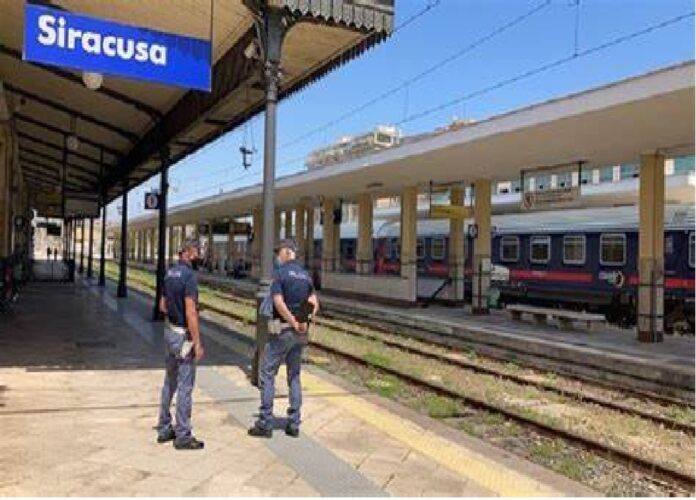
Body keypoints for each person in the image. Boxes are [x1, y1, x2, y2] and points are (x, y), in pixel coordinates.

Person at [248, 239, 319, 438]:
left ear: (287, 252)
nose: (277, 257)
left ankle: (265, 422)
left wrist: (292, 321)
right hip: (300, 334)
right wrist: (303, 320)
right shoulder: (305, 275)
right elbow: (314, 302)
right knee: (294, 376)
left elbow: (278, 302)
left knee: (267, 373)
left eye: (278, 252)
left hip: (282, 331)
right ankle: (294, 423)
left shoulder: (280, 274)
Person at [156, 238, 205, 450]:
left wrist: (175, 312)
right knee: (185, 385)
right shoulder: (189, 276)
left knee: (170, 381)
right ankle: (183, 435)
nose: (199, 257)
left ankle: (164, 427)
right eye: (197, 252)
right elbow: (191, 312)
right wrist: (197, 342)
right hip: (183, 336)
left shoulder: (169, 273)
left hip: (169, 332)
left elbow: (162, 306)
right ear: (189, 252)